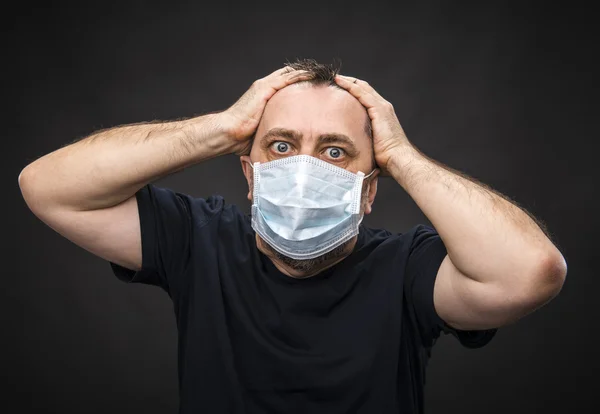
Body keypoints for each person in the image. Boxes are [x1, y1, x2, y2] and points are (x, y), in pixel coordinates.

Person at [19, 59, 567, 414]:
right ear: (249, 173)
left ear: (368, 190)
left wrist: (401, 156)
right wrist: (224, 128)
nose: (305, 171)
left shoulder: (408, 270)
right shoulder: (199, 240)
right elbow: (47, 187)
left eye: (335, 151)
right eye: (280, 146)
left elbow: (530, 273)